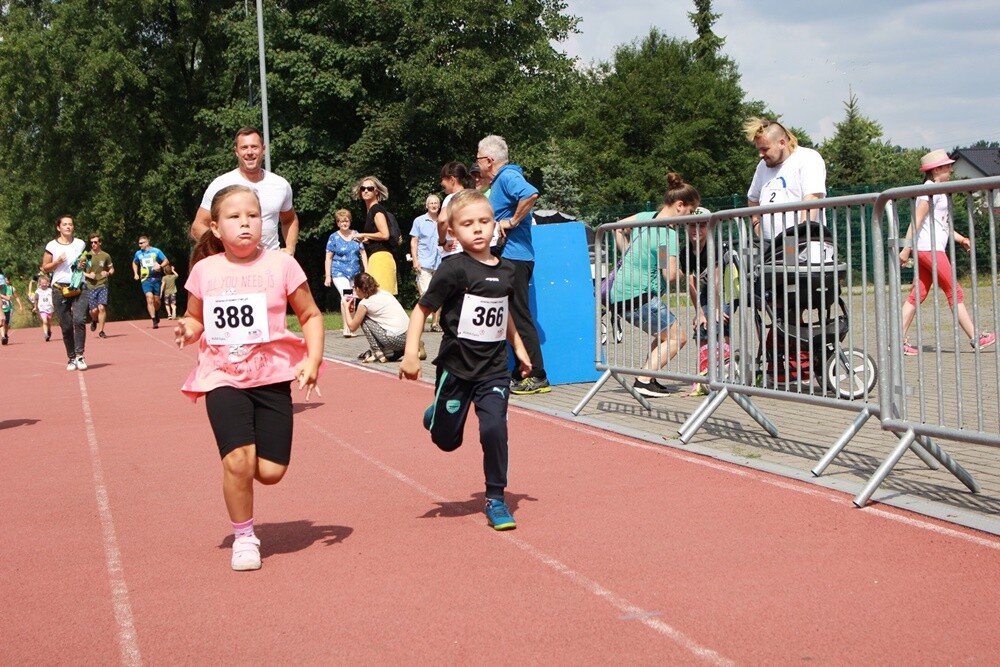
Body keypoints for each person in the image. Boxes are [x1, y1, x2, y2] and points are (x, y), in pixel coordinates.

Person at [174, 184, 323, 572]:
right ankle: (244, 537)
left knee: (270, 472)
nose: (245, 223)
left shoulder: (282, 265)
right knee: (239, 462)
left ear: (265, 222)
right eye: (234, 217)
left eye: (253, 216)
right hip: (221, 375)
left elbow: (310, 315)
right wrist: (189, 329)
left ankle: (244, 477)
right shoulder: (205, 270)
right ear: (216, 228)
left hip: (272, 376)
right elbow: (195, 317)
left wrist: (313, 360)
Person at [399, 188, 532, 531]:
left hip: (493, 370)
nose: (477, 229)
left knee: (494, 429)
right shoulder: (453, 269)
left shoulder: (507, 271)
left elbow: (504, 316)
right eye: (468, 224)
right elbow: (421, 309)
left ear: (495, 226)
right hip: (457, 367)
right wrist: (411, 353)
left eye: (484, 221)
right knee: (446, 441)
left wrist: (519, 349)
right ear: (454, 232)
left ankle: (496, 499)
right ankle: (437, 412)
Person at [745, 117, 828, 382]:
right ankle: (783, 359)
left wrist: (800, 233)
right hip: (771, 245)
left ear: (782, 142)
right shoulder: (762, 166)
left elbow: (812, 199)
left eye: (765, 148)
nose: (761, 154)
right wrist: (757, 224)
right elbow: (753, 197)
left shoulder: (808, 159)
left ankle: (799, 359)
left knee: (792, 299)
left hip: (797, 243)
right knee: (771, 301)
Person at [899, 149, 996, 355]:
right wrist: (905, 248)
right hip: (929, 249)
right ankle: (975, 337)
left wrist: (960, 239)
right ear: (934, 172)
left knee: (917, 295)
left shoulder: (937, 190)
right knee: (955, 291)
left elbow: (940, 225)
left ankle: (898, 340)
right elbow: (917, 220)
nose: (950, 170)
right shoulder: (929, 191)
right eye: (946, 167)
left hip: (928, 248)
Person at [608, 173, 693, 397]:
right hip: (640, 296)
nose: (690, 217)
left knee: (664, 334)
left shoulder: (647, 216)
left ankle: (648, 377)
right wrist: (684, 272)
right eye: (691, 211)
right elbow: (670, 275)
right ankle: (644, 380)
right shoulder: (667, 235)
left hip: (622, 293)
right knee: (678, 337)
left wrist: (628, 254)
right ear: (680, 205)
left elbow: (617, 227)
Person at [476, 134, 550, 394]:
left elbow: (530, 194)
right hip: (509, 257)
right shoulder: (498, 182)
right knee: (508, 317)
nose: (477, 164)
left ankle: (538, 375)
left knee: (518, 317)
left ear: (488, 159)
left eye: (478, 159)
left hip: (515, 257)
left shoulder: (507, 176)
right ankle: (521, 371)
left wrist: (512, 221)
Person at [190, 127, 299, 254]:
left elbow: (289, 219)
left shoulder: (280, 185)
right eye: (244, 147)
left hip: (271, 263)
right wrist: (223, 247)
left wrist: (290, 248)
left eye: (254, 147)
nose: (249, 152)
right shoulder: (220, 185)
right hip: (232, 264)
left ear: (263, 149)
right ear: (236, 151)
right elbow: (198, 227)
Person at [679, 208, 732, 395]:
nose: (696, 230)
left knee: (719, 322)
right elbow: (691, 283)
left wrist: (716, 309)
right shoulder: (686, 251)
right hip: (706, 289)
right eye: (692, 225)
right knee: (702, 325)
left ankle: (726, 372)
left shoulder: (714, 247)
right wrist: (699, 312)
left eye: (701, 225)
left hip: (726, 288)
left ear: (709, 227)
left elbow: (717, 281)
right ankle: (703, 373)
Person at [41, 215, 89, 370]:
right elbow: (45, 267)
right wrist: (57, 262)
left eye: (71, 224)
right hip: (59, 289)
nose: (68, 227)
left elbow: (85, 262)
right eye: (65, 224)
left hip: (79, 286)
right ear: (58, 227)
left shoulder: (80, 243)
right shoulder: (52, 245)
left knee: (79, 320)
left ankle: (80, 355)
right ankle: (71, 358)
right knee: (66, 325)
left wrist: (83, 264)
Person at [343, 272, 423, 363]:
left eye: (354, 288)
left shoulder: (365, 303)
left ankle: (377, 352)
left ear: (358, 288)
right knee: (389, 355)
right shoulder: (384, 293)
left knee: (364, 319)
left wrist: (346, 307)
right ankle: (413, 348)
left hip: (395, 339)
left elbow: (352, 327)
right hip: (411, 336)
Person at [324, 208, 368, 337]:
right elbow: (329, 257)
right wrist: (328, 276)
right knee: (347, 296)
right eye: (341, 222)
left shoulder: (356, 235)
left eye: (346, 221)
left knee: (352, 298)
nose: (344, 224)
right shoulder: (333, 237)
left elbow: (363, 253)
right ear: (338, 223)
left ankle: (350, 325)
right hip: (339, 272)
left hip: (355, 272)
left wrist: (367, 270)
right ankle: (346, 327)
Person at [353, 176, 398, 295]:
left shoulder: (376, 209)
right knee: (374, 297)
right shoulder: (370, 211)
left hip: (381, 258)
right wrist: (367, 239)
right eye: (363, 188)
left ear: (376, 191)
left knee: (380, 297)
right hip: (375, 256)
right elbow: (378, 235)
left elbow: (385, 234)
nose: (366, 191)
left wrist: (363, 234)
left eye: (370, 188)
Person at [410, 194, 442, 330]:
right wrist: (415, 260)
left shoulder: (443, 220)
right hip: (424, 262)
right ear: (426, 205)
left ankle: (435, 323)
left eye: (436, 203)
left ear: (439, 205)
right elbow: (414, 242)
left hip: (440, 261)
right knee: (425, 294)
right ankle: (420, 322)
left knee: (440, 292)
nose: (434, 205)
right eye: (431, 203)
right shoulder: (419, 221)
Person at [437, 162, 476, 257]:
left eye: (443, 179)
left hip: (455, 252)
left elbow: (442, 220)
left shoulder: (452, 198)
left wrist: (442, 242)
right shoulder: (475, 196)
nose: (441, 183)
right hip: (473, 251)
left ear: (452, 180)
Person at [132, 235, 169, 328]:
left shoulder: (156, 251)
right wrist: (136, 273)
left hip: (156, 278)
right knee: (149, 297)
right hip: (145, 279)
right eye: (139, 243)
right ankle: (153, 321)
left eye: (141, 243)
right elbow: (134, 262)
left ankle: (156, 312)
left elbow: (166, 261)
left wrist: (160, 266)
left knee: (157, 301)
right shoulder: (138, 253)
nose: (140, 245)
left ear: (147, 242)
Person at [84, 233, 114, 338]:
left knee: (101, 308)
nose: (93, 244)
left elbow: (112, 268)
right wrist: (88, 274)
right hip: (90, 285)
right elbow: (78, 271)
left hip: (103, 284)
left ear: (100, 243)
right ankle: (94, 319)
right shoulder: (86, 256)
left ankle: (101, 331)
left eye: (95, 242)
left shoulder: (106, 256)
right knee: (94, 311)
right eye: (91, 242)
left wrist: (108, 273)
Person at [0, 273, 24, 345]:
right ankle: (3, 336)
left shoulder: (8, 288)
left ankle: (5, 334)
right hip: (0, 308)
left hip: (8, 308)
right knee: (1, 322)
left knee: (7, 323)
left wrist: (20, 306)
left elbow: (8, 298)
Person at [31, 274, 55, 342]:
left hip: (50, 308)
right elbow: (36, 299)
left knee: (49, 322)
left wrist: (54, 305)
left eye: (45, 283)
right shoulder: (38, 291)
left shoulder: (50, 290)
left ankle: (49, 330)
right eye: (42, 283)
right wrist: (35, 307)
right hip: (42, 308)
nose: (44, 284)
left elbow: (53, 298)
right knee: (44, 321)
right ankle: (45, 334)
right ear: (39, 284)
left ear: (48, 283)